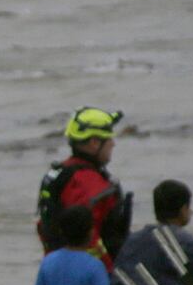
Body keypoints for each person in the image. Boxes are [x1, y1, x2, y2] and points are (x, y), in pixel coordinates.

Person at [35, 107, 130, 263]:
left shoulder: (60, 173)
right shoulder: (88, 184)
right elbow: (86, 238)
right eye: (109, 139)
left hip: (57, 267)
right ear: (94, 143)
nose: (113, 144)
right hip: (88, 275)